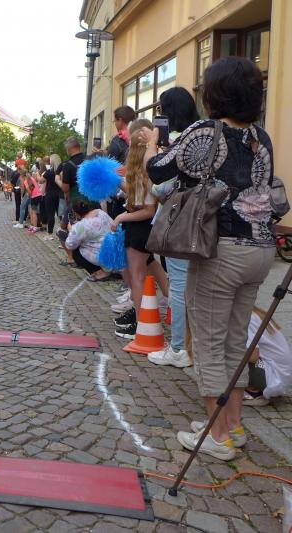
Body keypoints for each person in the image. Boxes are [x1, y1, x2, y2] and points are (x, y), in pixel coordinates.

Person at [146, 57, 275, 460]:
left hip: (221, 249)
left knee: (208, 344)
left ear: (214, 94)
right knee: (236, 340)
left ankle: (217, 437)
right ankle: (232, 425)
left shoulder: (207, 130)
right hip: (260, 248)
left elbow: (158, 170)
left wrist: (151, 143)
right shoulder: (260, 136)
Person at [145, 87, 200, 368]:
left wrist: (152, 145)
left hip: (183, 222)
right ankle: (194, 346)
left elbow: (157, 180)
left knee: (179, 286)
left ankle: (179, 348)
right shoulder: (204, 135)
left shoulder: (180, 141)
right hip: (208, 221)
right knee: (200, 288)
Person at [110, 119, 159, 340]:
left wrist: (121, 217)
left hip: (139, 228)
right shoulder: (143, 171)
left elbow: (147, 210)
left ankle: (140, 324)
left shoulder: (142, 173)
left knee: (137, 278)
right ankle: (144, 319)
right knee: (143, 274)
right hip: (140, 227)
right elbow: (138, 198)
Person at [62, 198, 113, 280]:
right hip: (115, 249)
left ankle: (101, 271)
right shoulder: (100, 212)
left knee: (76, 252)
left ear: (76, 213)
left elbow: (69, 245)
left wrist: (71, 230)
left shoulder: (79, 226)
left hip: (101, 255)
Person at [57, 137, 87, 266]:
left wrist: (58, 180)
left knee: (64, 228)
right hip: (92, 201)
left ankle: (71, 258)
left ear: (69, 149)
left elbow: (65, 188)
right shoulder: (89, 159)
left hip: (75, 202)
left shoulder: (68, 165)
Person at [41, 154, 63, 240]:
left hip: (50, 195)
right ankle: (62, 234)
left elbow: (41, 180)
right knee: (60, 214)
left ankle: (50, 234)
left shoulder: (49, 172)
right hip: (59, 194)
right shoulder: (61, 171)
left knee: (50, 214)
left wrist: (37, 175)